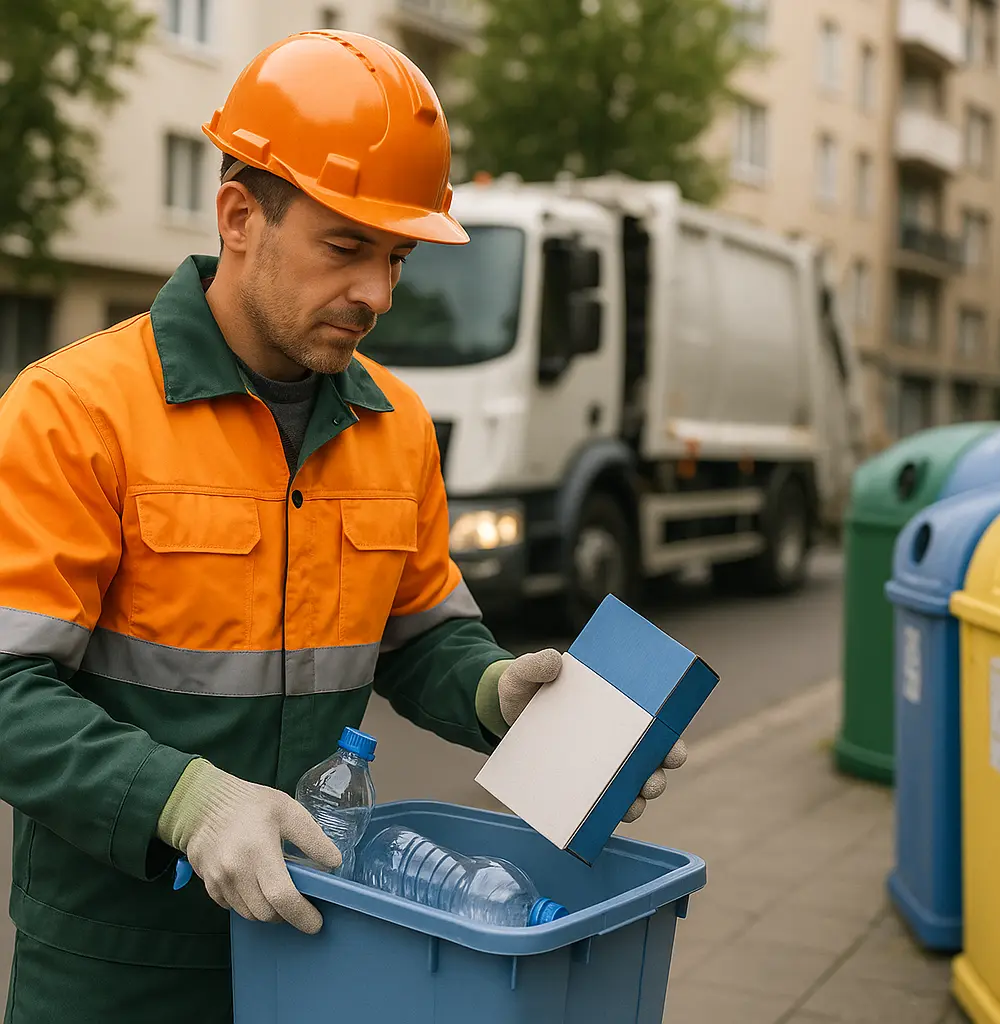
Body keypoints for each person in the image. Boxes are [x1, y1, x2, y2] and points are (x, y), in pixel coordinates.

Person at [0, 31, 686, 1023]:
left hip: (326, 944)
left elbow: (420, 636)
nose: (376, 293)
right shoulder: (73, 411)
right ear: (239, 215)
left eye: (396, 257)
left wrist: (499, 691)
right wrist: (185, 801)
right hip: (120, 963)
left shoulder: (395, 426)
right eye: (344, 246)